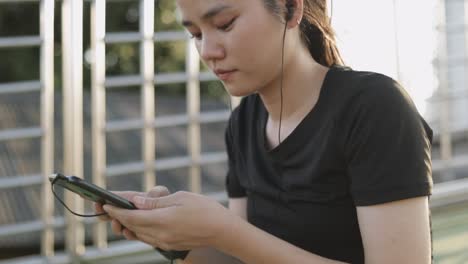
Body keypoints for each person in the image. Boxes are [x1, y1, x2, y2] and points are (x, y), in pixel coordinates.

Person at [96, 0, 434, 263]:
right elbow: (244, 259)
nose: (208, 52)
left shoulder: (374, 108)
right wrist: (175, 239)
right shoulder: (243, 123)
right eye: (196, 34)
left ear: (290, 8)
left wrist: (224, 229)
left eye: (225, 24)